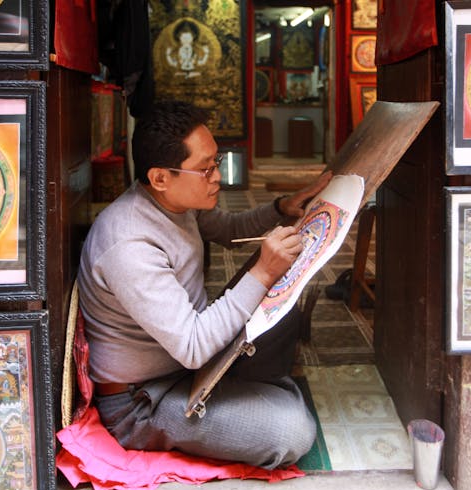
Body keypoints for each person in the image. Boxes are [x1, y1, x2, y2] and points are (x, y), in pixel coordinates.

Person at [77, 100, 331, 469]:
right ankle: (258, 399)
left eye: (217, 162)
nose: (217, 176)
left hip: (187, 362)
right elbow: (194, 347)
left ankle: (249, 396)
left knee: (285, 300)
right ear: (160, 177)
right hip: (144, 400)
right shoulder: (129, 244)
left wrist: (282, 206)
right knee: (292, 433)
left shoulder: (178, 203)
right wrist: (261, 272)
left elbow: (229, 230)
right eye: (205, 169)